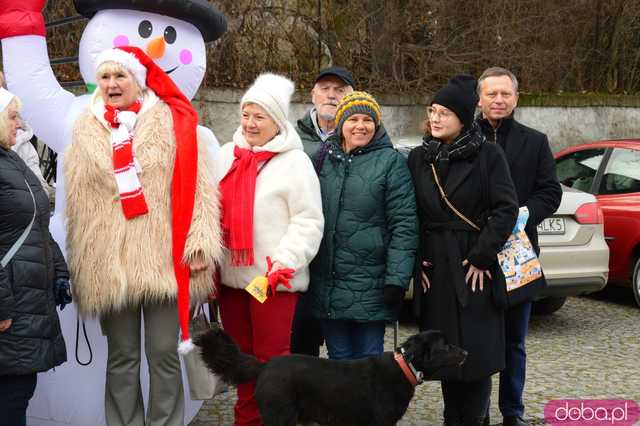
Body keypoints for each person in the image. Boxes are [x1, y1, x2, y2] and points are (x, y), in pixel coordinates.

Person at [63, 46, 222, 426]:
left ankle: (165, 422)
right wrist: (85, 259)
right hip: (110, 260)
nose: (112, 84)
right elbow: (77, 202)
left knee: (164, 352)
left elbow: (201, 188)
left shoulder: (173, 122)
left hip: (162, 257)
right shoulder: (85, 127)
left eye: (121, 76)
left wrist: (199, 242)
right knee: (122, 356)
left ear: (138, 80)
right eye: (105, 77)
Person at [407, 75, 519, 426]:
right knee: (445, 356)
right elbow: (411, 213)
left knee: (476, 356)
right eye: (432, 111)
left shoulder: (488, 154)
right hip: (436, 269)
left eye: (445, 112)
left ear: (463, 117)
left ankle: (474, 419)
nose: (436, 118)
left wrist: (484, 254)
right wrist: (418, 261)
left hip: (474, 266)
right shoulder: (419, 158)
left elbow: (506, 209)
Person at [214, 73, 324, 426]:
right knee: (240, 360)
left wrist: (284, 263)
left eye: (259, 117)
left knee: (272, 362)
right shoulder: (225, 155)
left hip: (271, 282)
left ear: (277, 122)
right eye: (246, 114)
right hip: (231, 279)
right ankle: (246, 420)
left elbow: (308, 222)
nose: (250, 123)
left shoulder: (295, 162)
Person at [476, 67, 561, 426]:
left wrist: (527, 213)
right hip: (475, 253)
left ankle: (513, 411)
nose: (499, 100)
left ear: (516, 98)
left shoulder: (535, 140)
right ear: (478, 99)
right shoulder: (465, 138)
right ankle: (475, 410)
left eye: (505, 94)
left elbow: (551, 191)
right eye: (492, 94)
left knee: (514, 342)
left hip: (519, 255)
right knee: (477, 339)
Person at [309, 91, 418, 360]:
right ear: (341, 123)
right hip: (329, 282)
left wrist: (397, 279)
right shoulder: (323, 159)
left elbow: (403, 225)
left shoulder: (391, 162)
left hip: (372, 283)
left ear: (376, 124)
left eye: (367, 119)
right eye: (353, 119)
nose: (360, 125)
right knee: (338, 361)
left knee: (370, 363)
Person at [0, 88, 69, 426]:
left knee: (19, 388)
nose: (19, 123)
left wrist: (59, 272)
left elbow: (37, 222)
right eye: (12, 116)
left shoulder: (11, 159)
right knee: (11, 393)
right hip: (10, 302)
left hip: (26, 296)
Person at [291, 65, 354, 356]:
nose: (332, 96)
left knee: (344, 342)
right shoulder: (289, 137)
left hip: (344, 251)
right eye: (325, 89)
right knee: (301, 337)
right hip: (301, 250)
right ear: (313, 95)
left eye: (339, 90)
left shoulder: (361, 135)